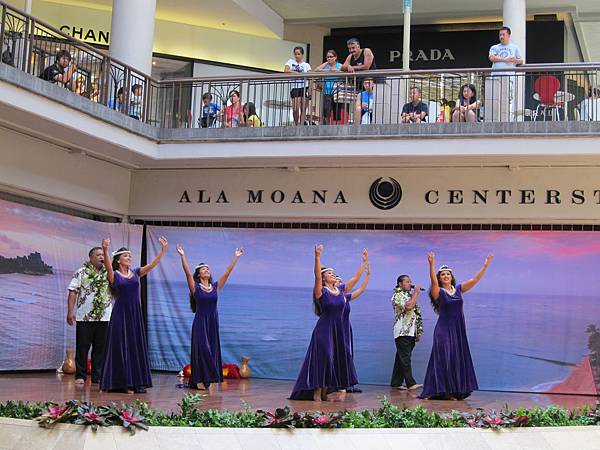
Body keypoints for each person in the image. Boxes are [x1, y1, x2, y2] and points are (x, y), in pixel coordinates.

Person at [290, 245, 365, 401]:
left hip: (338, 331)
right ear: (324, 278)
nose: (333, 274)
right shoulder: (321, 291)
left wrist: (363, 263)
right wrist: (317, 256)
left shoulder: (340, 291)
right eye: (329, 273)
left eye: (333, 273)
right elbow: (317, 276)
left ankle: (324, 392)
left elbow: (355, 280)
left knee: (333, 359)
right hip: (324, 330)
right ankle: (317, 392)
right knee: (324, 357)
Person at [420, 252, 493, 400]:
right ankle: (443, 391)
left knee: (455, 358)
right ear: (440, 278)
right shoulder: (438, 292)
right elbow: (433, 283)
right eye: (443, 275)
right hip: (443, 330)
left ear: (451, 277)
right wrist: (431, 264)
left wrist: (485, 266)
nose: (445, 276)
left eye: (448, 274)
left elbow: (474, 280)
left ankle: (455, 390)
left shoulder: (459, 289)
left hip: (458, 330)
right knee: (444, 357)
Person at [99, 236, 168, 394]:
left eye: (130, 255)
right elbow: (108, 268)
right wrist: (105, 249)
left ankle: (135, 381)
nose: (129, 257)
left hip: (135, 314)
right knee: (120, 346)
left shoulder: (136, 272)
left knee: (133, 346)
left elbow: (152, 265)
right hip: (120, 314)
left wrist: (163, 250)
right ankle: (121, 383)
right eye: (125, 256)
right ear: (118, 260)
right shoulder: (114, 274)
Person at [176, 244, 244, 391]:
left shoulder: (215, 287)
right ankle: (199, 379)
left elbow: (227, 272)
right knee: (202, 350)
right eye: (203, 269)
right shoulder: (195, 288)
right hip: (200, 323)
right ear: (199, 274)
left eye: (207, 268)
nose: (206, 270)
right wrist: (182, 256)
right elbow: (187, 274)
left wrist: (236, 257)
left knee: (212, 350)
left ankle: (210, 379)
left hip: (213, 323)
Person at [66, 247, 112, 385]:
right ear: (91, 257)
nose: (102, 257)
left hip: (104, 317)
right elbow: (73, 292)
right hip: (84, 317)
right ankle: (80, 375)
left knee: (100, 348)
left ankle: (97, 376)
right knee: (82, 347)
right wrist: (70, 312)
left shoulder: (109, 273)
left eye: (103, 255)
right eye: (98, 255)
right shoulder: (80, 272)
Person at [390, 275, 423, 391]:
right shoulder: (397, 296)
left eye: (410, 282)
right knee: (405, 358)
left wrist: (418, 331)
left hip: (410, 332)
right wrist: (416, 293)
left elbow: (415, 314)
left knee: (401, 358)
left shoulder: (408, 295)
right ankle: (410, 383)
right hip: (402, 331)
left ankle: (396, 382)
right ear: (400, 284)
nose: (410, 284)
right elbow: (409, 307)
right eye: (407, 282)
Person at [485, 26, 524, 122]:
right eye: (500, 35)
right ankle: (493, 120)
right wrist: (505, 59)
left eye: (504, 34)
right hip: (495, 77)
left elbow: (521, 61)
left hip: (508, 77)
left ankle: (506, 120)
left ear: (508, 35)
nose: (501, 36)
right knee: (494, 99)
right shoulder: (495, 47)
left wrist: (514, 60)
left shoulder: (514, 47)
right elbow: (491, 58)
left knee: (507, 99)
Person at [284, 46, 312, 126]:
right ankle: (296, 124)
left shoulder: (306, 65)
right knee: (295, 108)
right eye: (295, 54)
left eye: (298, 54)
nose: (297, 56)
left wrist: (310, 89)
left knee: (303, 109)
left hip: (304, 87)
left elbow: (310, 76)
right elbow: (286, 70)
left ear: (302, 54)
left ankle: (302, 124)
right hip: (295, 87)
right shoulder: (290, 62)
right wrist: (295, 73)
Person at [315, 50, 343, 125]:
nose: (329, 58)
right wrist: (328, 70)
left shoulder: (339, 65)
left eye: (331, 57)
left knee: (336, 111)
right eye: (327, 57)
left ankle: (335, 129)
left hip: (337, 91)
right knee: (326, 111)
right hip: (326, 91)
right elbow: (316, 69)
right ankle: (326, 128)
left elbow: (344, 72)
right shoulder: (326, 65)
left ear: (335, 57)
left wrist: (334, 71)